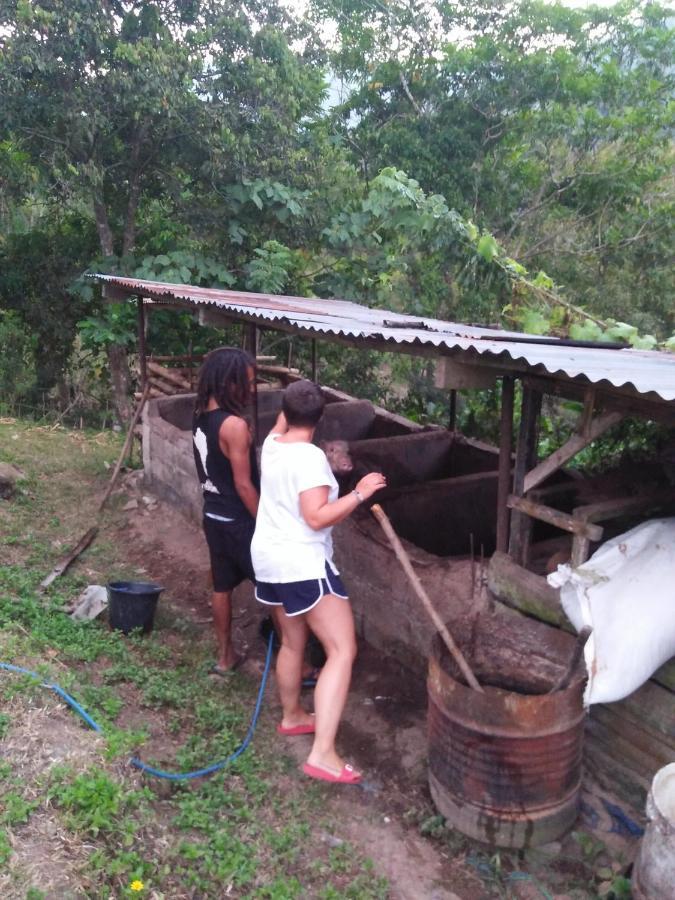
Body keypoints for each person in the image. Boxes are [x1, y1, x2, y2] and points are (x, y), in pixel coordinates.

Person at [251, 380, 386, 784]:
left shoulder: (273, 444)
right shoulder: (310, 460)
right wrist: (360, 493)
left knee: (293, 641)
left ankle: (293, 716)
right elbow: (316, 517)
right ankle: (323, 754)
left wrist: (296, 397)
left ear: (285, 413)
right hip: (302, 564)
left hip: (269, 559)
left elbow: (287, 418)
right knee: (342, 649)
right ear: (321, 418)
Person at [193, 347, 259, 675]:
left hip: (213, 516)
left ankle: (225, 656)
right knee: (274, 586)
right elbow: (244, 485)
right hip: (239, 520)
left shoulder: (202, 416)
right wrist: (266, 522)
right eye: (245, 383)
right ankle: (300, 665)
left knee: (222, 587)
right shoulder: (234, 426)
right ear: (228, 382)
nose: (250, 390)